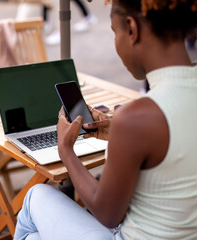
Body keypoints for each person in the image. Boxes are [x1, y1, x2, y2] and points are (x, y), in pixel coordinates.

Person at [14, 0, 197, 239]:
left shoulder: (137, 117)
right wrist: (117, 135)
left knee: (34, 197)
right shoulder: (147, 117)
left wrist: (65, 150)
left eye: (115, 32)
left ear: (132, 29)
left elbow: (107, 213)